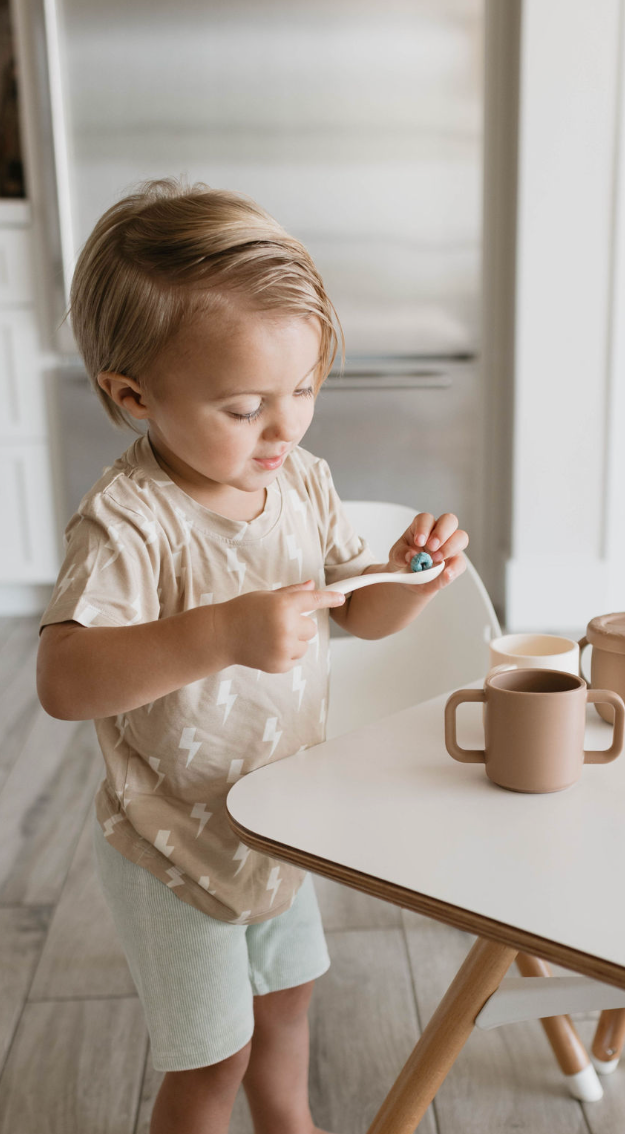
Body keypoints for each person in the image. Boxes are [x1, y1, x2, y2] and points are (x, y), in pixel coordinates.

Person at [36, 178, 469, 1134]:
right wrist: (224, 632)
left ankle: (290, 1124)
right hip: (172, 844)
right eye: (244, 408)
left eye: (305, 389)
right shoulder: (129, 522)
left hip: (276, 825)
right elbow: (65, 681)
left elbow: (363, 618)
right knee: (212, 1058)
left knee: (287, 1009)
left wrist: (410, 577)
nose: (285, 427)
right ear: (133, 393)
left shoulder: (301, 480)